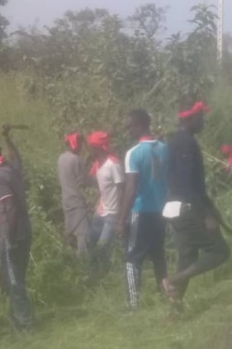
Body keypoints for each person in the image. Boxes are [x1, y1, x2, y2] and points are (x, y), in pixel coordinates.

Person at [162, 101, 230, 308]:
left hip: (177, 208)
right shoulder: (185, 143)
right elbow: (186, 185)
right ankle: (173, 280)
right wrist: (206, 215)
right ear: (189, 119)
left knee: (187, 259)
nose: (204, 121)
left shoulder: (179, 141)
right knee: (220, 252)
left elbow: (194, 185)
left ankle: (175, 310)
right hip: (187, 209)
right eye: (201, 116)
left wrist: (212, 208)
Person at [0, 125, 34, 331]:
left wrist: (8, 239)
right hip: (25, 230)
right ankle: (21, 319)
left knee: (13, 281)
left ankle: (25, 326)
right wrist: (8, 138)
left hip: (12, 232)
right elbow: (17, 157)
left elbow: (9, 206)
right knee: (18, 277)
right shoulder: (12, 169)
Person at [117, 110, 169, 310]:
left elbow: (130, 189)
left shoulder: (133, 153)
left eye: (129, 126)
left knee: (132, 259)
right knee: (158, 256)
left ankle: (133, 306)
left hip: (141, 210)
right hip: (160, 210)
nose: (127, 130)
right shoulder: (164, 149)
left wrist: (121, 220)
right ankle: (167, 295)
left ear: (139, 126)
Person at [87, 130, 124, 276]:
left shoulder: (113, 164)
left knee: (103, 247)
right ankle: (92, 271)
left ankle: (103, 275)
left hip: (112, 213)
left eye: (92, 147)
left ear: (98, 148)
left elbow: (122, 188)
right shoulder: (97, 164)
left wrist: (120, 217)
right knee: (89, 241)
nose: (90, 150)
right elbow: (102, 187)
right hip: (101, 211)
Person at [58, 132, 90, 260]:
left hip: (66, 200)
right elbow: (83, 181)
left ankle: (69, 261)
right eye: (81, 144)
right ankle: (84, 265)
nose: (82, 147)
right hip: (77, 201)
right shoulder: (76, 160)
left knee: (70, 233)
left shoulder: (61, 158)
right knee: (83, 235)